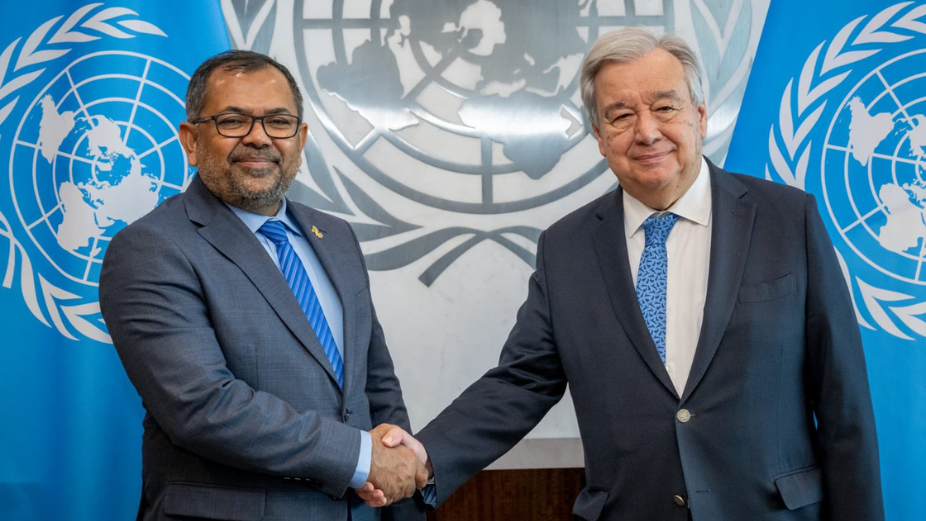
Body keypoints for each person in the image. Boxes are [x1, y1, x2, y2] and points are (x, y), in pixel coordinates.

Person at [362, 28, 884, 520]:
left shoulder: (787, 219)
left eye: (664, 106)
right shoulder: (566, 247)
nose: (647, 131)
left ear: (699, 116)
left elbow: (843, 403)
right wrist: (424, 455)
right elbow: (521, 382)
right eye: (620, 115)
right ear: (599, 135)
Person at [99, 50, 424, 521]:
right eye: (233, 121)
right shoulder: (150, 248)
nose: (259, 137)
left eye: (278, 121)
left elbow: (375, 381)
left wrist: (396, 468)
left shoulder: (336, 236)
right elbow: (204, 407)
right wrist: (361, 457)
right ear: (191, 140)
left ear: (301, 137)